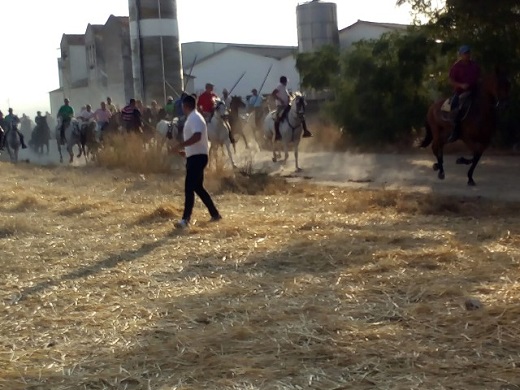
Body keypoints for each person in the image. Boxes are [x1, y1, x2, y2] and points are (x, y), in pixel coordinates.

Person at [174, 94, 222, 229]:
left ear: (185, 106)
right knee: (198, 188)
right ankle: (215, 214)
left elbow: (197, 136)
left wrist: (180, 145)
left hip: (197, 158)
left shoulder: (194, 118)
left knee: (189, 188)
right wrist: (187, 152)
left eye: (182, 105)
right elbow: (197, 141)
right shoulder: (194, 117)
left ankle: (185, 219)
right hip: (196, 156)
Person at [446, 45, 481, 143]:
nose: (467, 55)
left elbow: (479, 77)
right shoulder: (456, 67)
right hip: (461, 92)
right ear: (460, 55)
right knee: (455, 108)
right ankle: (455, 132)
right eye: (465, 53)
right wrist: (461, 85)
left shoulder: (474, 65)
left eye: (468, 53)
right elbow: (451, 80)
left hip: (474, 90)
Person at [271, 76, 312, 140]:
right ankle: (277, 134)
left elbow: (286, 95)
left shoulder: (284, 87)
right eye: (286, 81)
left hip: (287, 105)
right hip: (280, 106)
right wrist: (280, 100)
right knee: (278, 118)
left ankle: (305, 131)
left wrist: (289, 97)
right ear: (284, 81)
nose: (286, 83)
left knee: (299, 114)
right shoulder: (279, 86)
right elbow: (273, 94)